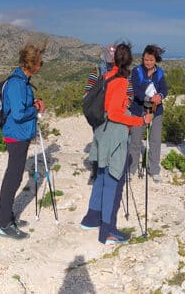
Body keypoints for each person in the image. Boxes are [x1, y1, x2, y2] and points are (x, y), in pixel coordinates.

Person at [81, 42, 142, 245]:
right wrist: (139, 121)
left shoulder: (105, 76)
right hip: (114, 134)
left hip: (100, 130)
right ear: (130, 60)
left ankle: (92, 218)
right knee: (113, 181)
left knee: (101, 175)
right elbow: (117, 113)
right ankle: (107, 231)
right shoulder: (122, 81)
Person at [0, 43, 48, 239]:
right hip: (16, 135)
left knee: (14, 177)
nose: (41, 66)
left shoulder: (22, 80)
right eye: (40, 63)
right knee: (13, 179)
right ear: (32, 64)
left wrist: (32, 104)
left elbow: (19, 107)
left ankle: (8, 217)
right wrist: (36, 110)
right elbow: (18, 114)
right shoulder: (18, 83)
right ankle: (4, 224)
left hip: (20, 134)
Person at [128, 45, 169, 178]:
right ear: (142, 59)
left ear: (155, 60)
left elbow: (164, 89)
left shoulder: (160, 72)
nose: (148, 62)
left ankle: (154, 170)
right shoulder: (136, 71)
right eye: (146, 59)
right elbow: (135, 90)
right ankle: (131, 168)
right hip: (138, 109)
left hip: (156, 110)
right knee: (135, 140)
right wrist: (149, 98)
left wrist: (160, 96)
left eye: (151, 60)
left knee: (155, 141)